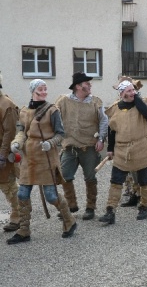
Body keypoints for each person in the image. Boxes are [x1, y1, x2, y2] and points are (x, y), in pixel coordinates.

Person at [7, 79, 77, 244]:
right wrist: (16, 143)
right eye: (41, 88)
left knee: (51, 196)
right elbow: (21, 132)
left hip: (46, 158)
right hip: (28, 159)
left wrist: (50, 143)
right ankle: (23, 230)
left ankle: (69, 221)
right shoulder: (23, 111)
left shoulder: (52, 110)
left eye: (45, 88)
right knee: (22, 194)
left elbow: (61, 134)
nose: (44, 91)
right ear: (33, 90)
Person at [99, 80, 147, 224]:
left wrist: (137, 99)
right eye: (129, 91)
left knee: (144, 180)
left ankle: (144, 207)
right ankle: (110, 211)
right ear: (122, 93)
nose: (132, 93)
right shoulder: (115, 109)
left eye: (133, 90)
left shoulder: (142, 104)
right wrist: (110, 149)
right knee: (116, 181)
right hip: (122, 150)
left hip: (141, 147)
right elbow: (112, 131)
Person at [55, 72, 108, 220]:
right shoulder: (62, 101)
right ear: (78, 86)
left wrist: (101, 139)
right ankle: (71, 205)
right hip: (69, 146)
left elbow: (104, 121)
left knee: (90, 177)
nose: (90, 85)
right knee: (65, 176)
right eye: (87, 83)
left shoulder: (96, 102)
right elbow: (53, 118)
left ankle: (90, 208)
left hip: (89, 147)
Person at [0, 73, 20, 232]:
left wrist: (2, 154)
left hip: (3, 153)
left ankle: (18, 216)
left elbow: (9, 133)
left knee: (8, 186)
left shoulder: (7, 105)